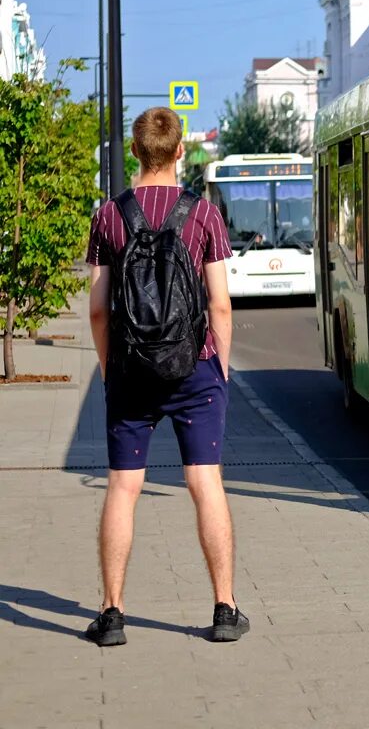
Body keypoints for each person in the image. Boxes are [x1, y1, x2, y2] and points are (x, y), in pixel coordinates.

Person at [84, 108, 248, 647]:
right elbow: (220, 305)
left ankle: (112, 615)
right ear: (180, 151)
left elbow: (99, 309)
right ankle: (224, 609)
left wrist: (111, 371)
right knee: (205, 482)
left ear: (135, 152)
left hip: (131, 371)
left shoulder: (109, 215)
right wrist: (218, 370)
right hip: (195, 369)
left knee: (123, 488)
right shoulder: (203, 214)